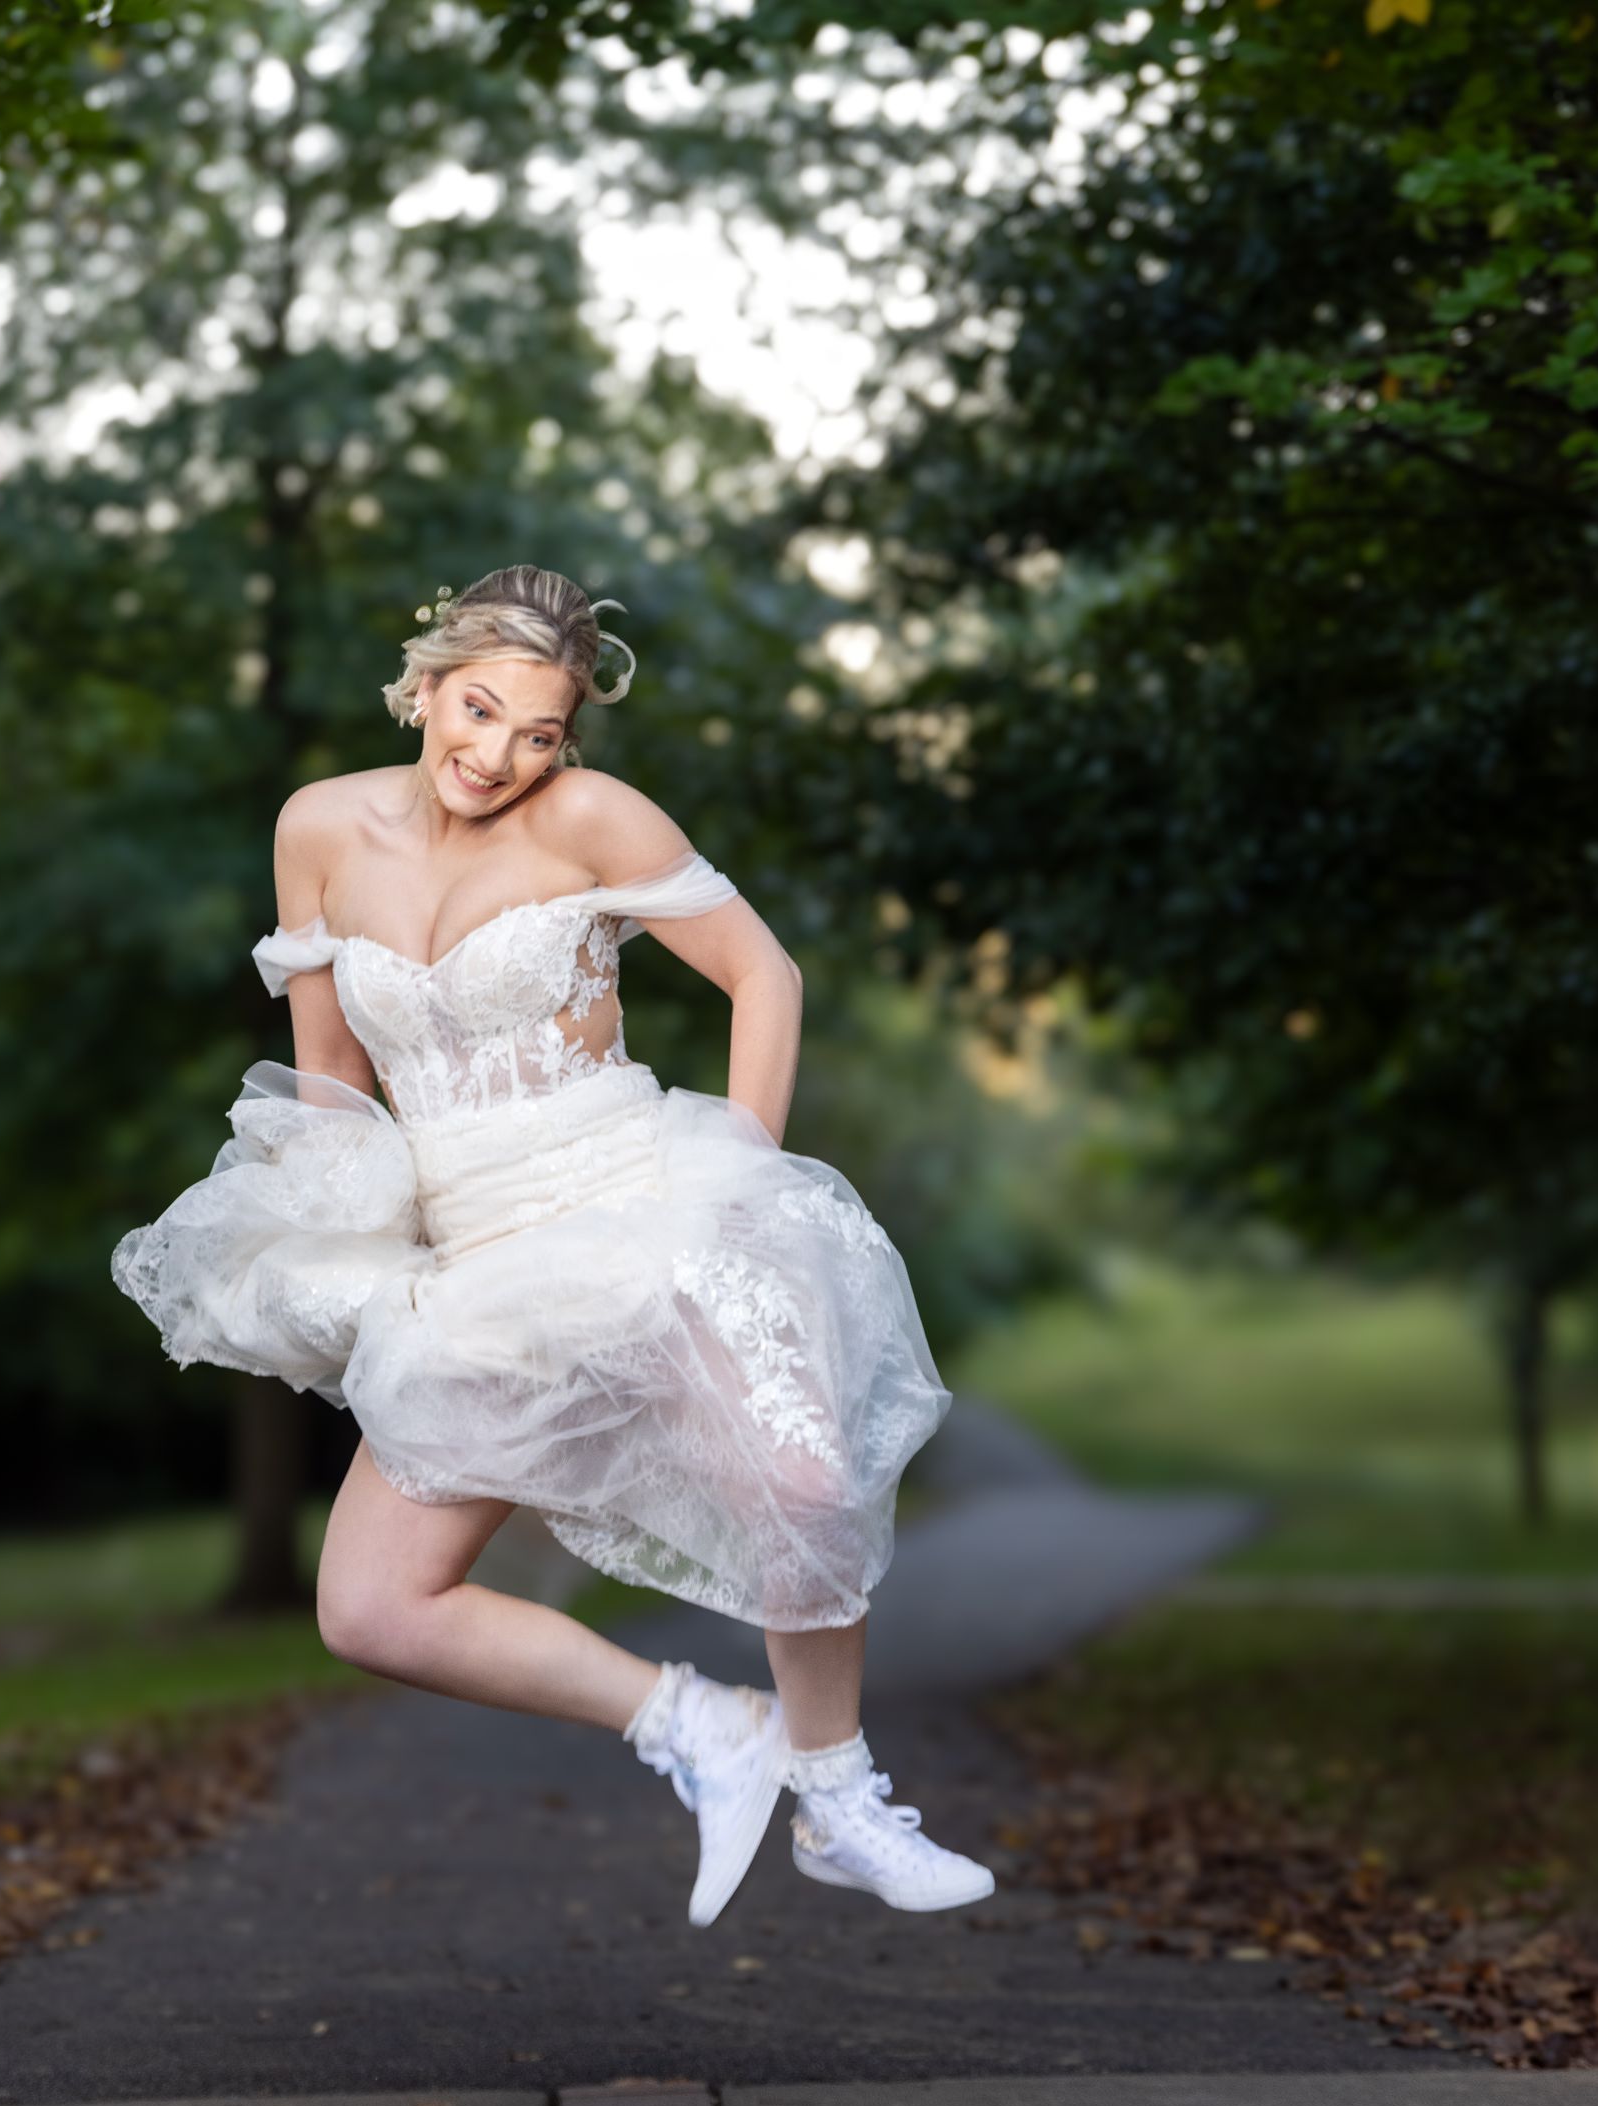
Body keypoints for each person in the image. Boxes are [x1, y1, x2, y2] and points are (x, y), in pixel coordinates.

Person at [112, 564, 996, 1927]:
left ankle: (838, 1798)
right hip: (477, 1251)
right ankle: (701, 1726)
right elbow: (333, 1071)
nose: (498, 756)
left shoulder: (590, 817)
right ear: (425, 682)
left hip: (630, 1192)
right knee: (370, 1608)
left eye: (539, 732)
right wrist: (340, 1245)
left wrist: (742, 1181)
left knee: (806, 1483)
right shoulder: (318, 827)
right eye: (478, 710)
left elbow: (763, 974)